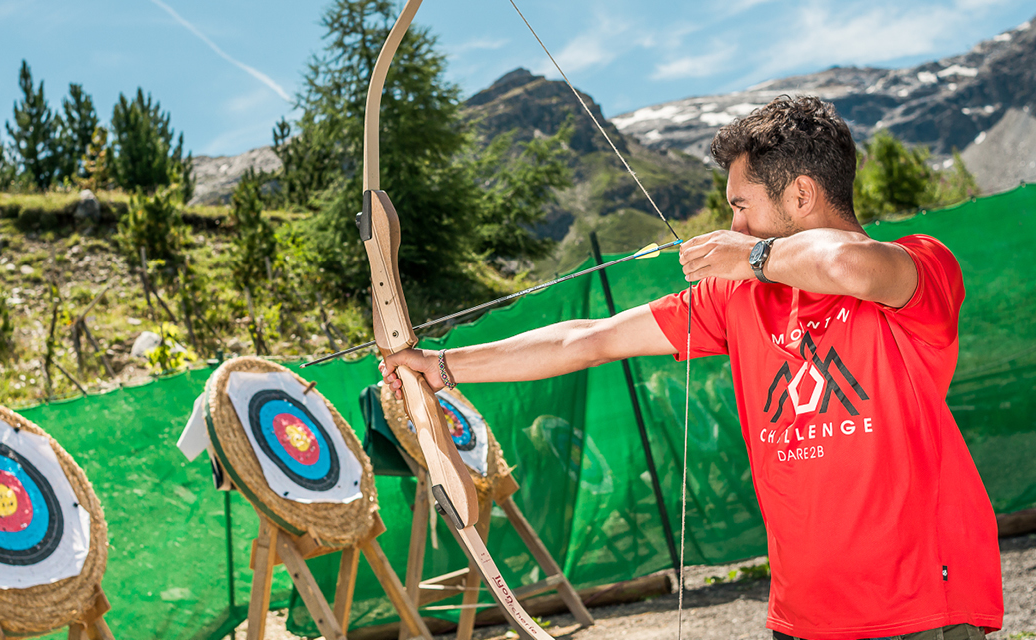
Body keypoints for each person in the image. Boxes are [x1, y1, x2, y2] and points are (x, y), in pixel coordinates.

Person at [380, 95, 1003, 640]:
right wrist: (441, 364)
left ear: (803, 194)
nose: (731, 222)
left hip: (923, 609)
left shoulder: (918, 266)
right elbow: (588, 340)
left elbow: (846, 267)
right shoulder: (742, 297)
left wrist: (752, 252)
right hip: (809, 613)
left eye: (741, 204)